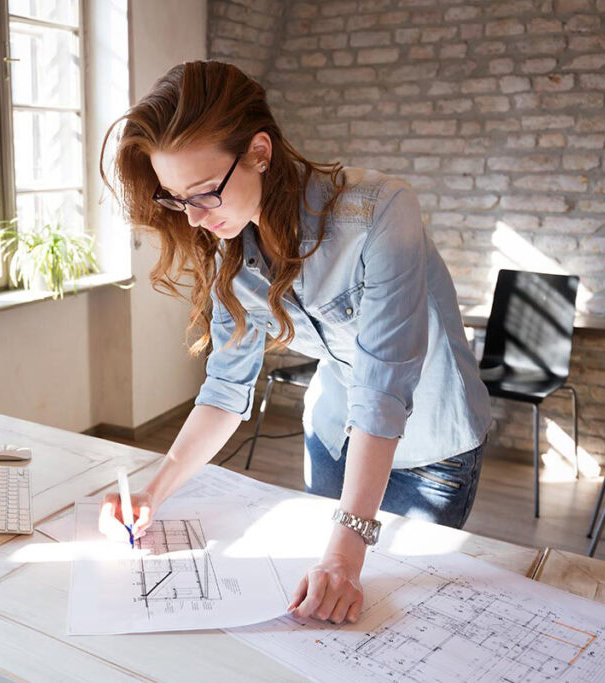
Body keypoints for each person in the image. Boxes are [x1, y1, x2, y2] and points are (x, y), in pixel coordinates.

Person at [96, 60, 491, 626]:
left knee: (394, 615)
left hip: (430, 444)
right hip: (333, 433)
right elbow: (225, 388)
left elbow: (383, 389)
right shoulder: (227, 240)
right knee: (319, 620)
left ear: (259, 151)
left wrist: (345, 549)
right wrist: (153, 494)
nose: (196, 218)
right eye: (177, 199)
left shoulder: (380, 211)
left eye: (205, 193)